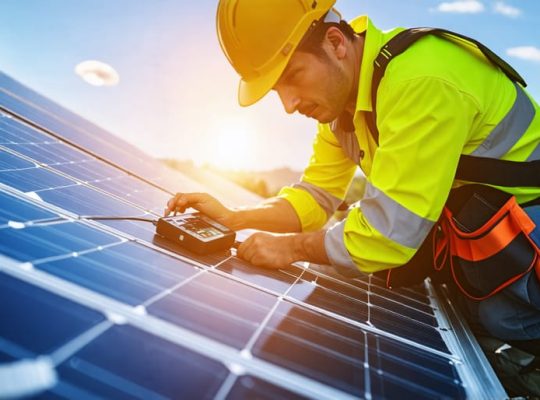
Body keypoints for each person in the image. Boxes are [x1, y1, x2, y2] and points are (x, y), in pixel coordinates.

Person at [165, 0, 540, 344]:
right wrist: (236, 217)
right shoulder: (342, 113)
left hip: (531, 217)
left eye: (293, 76)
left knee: (499, 315)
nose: (289, 105)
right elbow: (315, 198)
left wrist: (293, 248)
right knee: (465, 303)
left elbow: (386, 234)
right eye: (278, 90)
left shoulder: (419, 81)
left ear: (335, 43)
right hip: (494, 225)